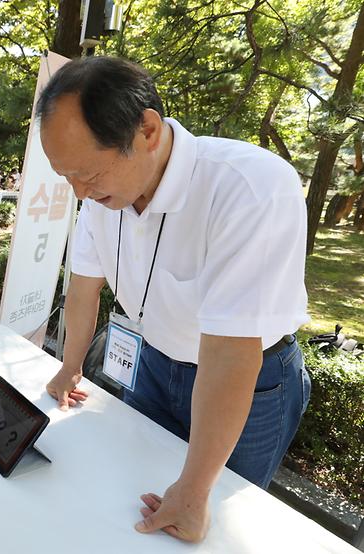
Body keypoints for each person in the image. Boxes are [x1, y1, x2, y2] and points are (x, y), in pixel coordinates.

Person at [40, 56, 310, 543]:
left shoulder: (250, 187)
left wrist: (192, 492)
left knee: (215, 523)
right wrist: (69, 365)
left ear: (146, 129)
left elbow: (231, 351)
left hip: (249, 380)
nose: (80, 192)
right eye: (66, 177)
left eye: (88, 173)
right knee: (131, 498)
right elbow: (83, 288)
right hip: (155, 363)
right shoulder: (100, 197)